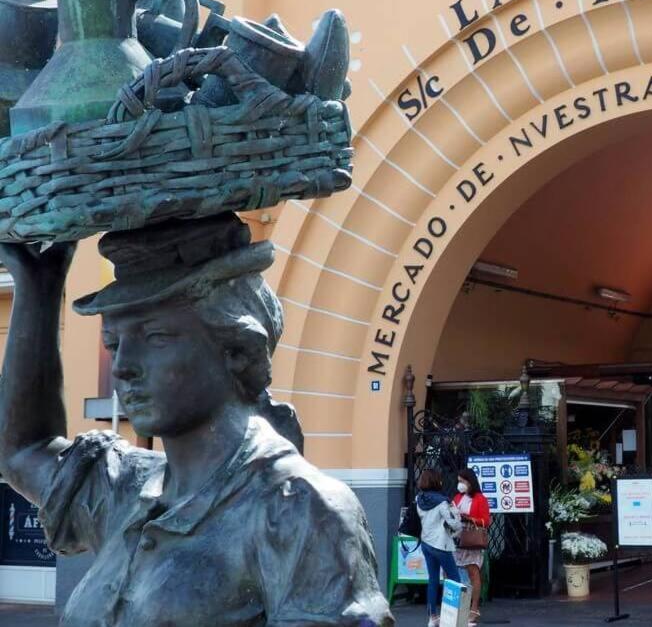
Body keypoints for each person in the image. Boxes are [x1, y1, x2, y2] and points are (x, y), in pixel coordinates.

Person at [0, 215, 392, 626]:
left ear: (236, 350)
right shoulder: (126, 487)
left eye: (156, 338)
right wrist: (38, 284)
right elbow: (24, 451)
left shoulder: (299, 512)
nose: (123, 367)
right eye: (113, 343)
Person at [416, 469, 463, 627]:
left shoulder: (419, 499)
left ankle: (432, 618)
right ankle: (454, 619)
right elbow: (454, 523)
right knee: (455, 580)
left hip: (426, 543)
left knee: (433, 579)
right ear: (437, 481)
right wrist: (456, 514)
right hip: (441, 544)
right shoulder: (442, 502)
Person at [453, 468, 491, 627]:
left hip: (472, 539)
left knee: (473, 572)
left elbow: (486, 521)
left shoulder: (480, 498)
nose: (460, 484)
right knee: (457, 574)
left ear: (470, 482)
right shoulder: (457, 497)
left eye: (463, 481)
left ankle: (474, 609)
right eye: (459, 481)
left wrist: (469, 518)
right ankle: (460, 609)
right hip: (457, 540)